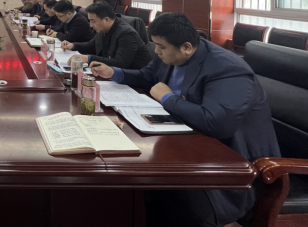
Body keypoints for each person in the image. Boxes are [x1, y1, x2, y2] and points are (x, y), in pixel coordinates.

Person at [90, 13, 280, 227]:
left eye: (161, 47)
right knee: (132, 182)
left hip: (231, 166)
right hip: (185, 143)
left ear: (187, 47)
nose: (156, 51)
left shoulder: (227, 68)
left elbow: (216, 124)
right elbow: (147, 76)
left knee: (162, 194)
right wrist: (115, 72)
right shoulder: (171, 54)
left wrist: (167, 98)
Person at [61, 1, 151, 69]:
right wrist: (73, 45)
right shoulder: (103, 28)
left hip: (134, 82)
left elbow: (120, 63)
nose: (91, 25)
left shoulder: (126, 34)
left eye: (93, 21)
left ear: (106, 20)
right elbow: (92, 45)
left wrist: (88, 58)